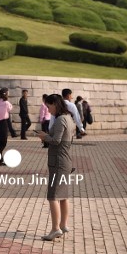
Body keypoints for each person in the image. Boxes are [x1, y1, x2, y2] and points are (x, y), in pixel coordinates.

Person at [37, 94, 74, 241]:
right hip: (65, 160)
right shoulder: (69, 118)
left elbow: (56, 141)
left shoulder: (60, 119)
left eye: (49, 106)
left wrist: (44, 137)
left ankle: (55, 229)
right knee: (63, 195)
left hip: (58, 162)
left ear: (56, 104)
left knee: (53, 196)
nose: (48, 109)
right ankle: (64, 225)